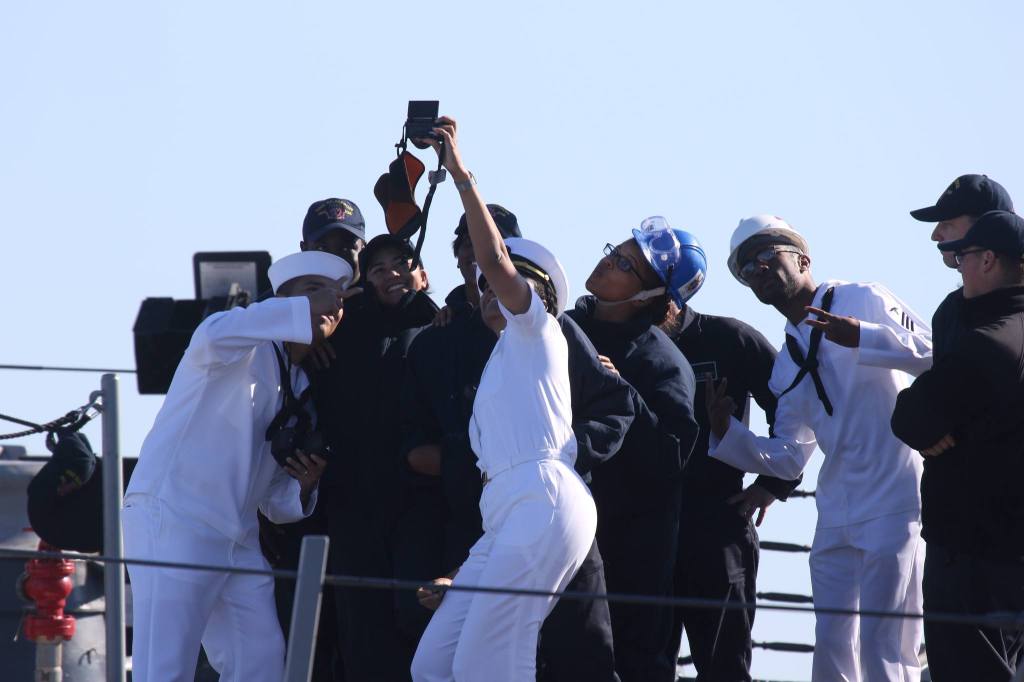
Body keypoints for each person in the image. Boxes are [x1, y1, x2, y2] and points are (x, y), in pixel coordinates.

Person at [402, 204, 635, 681]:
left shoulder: (539, 330)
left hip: (543, 499)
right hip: (503, 514)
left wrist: (461, 176)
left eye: (502, 284)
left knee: (485, 665)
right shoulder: (497, 363)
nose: (491, 291)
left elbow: (493, 261)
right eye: (485, 287)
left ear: (536, 298)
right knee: (434, 664)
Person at [705, 215, 931, 681]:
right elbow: (791, 455)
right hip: (836, 513)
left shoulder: (862, 299)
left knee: (884, 647)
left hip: (894, 501)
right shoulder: (785, 364)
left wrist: (863, 337)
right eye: (746, 270)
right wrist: (728, 433)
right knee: (831, 647)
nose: (757, 271)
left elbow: (933, 354)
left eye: (766, 256)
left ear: (802, 259)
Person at [122, 250, 357, 682]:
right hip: (177, 519)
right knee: (165, 665)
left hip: (238, 537)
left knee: (261, 662)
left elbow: (274, 503)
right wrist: (301, 309)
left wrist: (303, 487)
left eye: (337, 296)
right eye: (313, 290)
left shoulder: (300, 386)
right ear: (281, 301)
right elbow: (210, 336)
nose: (330, 302)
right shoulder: (236, 343)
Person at [658, 234, 801, 681]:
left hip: (716, 527)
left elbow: (795, 409)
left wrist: (774, 483)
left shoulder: (730, 338)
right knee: (639, 664)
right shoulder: (611, 341)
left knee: (724, 667)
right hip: (642, 531)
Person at [566, 217, 700, 682]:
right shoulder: (562, 329)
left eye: (626, 263)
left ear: (650, 296)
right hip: (559, 538)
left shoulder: (661, 363)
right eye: (616, 250)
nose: (608, 260)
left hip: (630, 558)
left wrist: (621, 391)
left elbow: (671, 457)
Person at [892, 210, 1024, 681]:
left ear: (988, 260)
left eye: (964, 255)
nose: (958, 264)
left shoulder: (989, 343)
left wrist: (929, 427)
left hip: (973, 554)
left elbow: (908, 415)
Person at [315, 233, 442, 682]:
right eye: (377, 268)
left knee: (420, 622)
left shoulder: (446, 328)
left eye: (401, 263)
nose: (391, 274)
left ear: (423, 276)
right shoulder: (341, 333)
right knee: (363, 635)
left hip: (422, 508)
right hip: (354, 506)